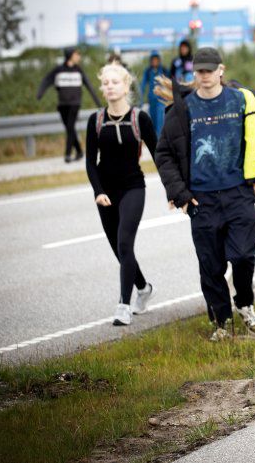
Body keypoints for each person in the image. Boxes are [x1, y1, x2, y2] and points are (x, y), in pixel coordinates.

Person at [155, 47, 255, 341]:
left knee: (244, 255)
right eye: (200, 71)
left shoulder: (244, 101)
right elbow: (164, 153)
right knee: (211, 264)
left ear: (221, 69)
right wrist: (179, 193)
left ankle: (245, 304)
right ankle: (221, 321)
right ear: (194, 74)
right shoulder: (182, 109)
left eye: (210, 70)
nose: (205, 76)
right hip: (201, 199)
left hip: (238, 193)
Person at [85, 62, 158, 326]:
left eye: (114, 82)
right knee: (120, 249)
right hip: (106, 192)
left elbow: (158, 154)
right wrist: (98, 191)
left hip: (133, 187)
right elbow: (90, 162)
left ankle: (123, 306)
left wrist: (174, 190)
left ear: (125, 86)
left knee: (125, 243)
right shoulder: (96, 121)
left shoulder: (140, 119)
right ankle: (143, 287)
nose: (109, 87)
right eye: (105, 83)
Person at [37, 46, 102, 163]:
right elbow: (46, 80)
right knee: (69, 129)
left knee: (70, 127)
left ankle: (67, 154)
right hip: (62, 105)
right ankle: (79, 151)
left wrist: (98, 103)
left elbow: (89, 86)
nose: (79, 57)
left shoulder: (79, 70)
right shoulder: (59, 70)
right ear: (70, 55)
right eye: (77, 54)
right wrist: (40, 93)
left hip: (75, 104)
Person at [140, 50, 169, 136]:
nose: (154, 61)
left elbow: (169, 83)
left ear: (159, 60)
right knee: (152, 121)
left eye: (156, 59)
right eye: (153, 59)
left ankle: (159, 142)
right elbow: (142, 86)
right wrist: (140, 100)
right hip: (151, 100)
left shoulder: (164, 70)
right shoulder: (148, 71)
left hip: (161, 100)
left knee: (160, 120)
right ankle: (155, 141)